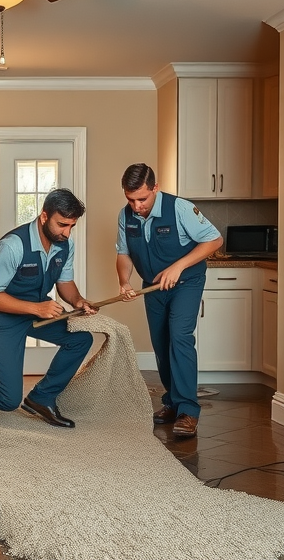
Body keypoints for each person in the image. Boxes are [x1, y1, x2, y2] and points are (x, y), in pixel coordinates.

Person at [0, 188, 96, 428]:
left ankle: (41, 398)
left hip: (37, 312)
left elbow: (65, 282)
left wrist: (78, 301)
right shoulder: (13, 246)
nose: (67, 232)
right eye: (62, 224)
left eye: (71, 226)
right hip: (2, 319)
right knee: (7, 399)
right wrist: (36, 308)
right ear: (44, 217)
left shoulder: (64, 245)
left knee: (81, 339)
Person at [115, 163, 222, 438]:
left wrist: (179, 267)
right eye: (130, 199)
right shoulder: (125, 216)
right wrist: (124, 282)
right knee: (162, 344)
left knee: (180, 337)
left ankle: (188, 410)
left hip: (186, 283)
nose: (136, 206)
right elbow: (124, 253)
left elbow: (213, 240)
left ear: (155, 188)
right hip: (152, 287)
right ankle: (173, 402)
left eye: (142, 198)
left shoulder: (181, 209)